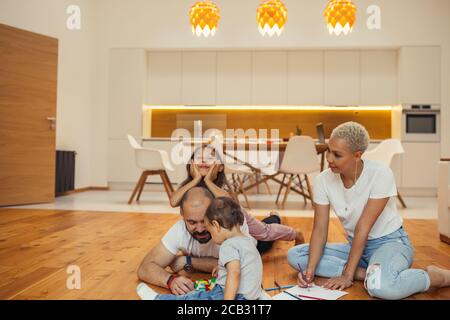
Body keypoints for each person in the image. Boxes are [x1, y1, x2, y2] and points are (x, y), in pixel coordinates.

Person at [287, 121, 450, 300]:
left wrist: (347, 276)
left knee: (382, 288)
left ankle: (435, 276)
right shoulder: (323, 180)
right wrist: (309, 271)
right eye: (328, 150)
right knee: (297, 255)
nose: (329, 159)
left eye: (337, 154)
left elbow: (362, 229)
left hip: (390, 243)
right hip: (355, 247)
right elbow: (319, 230)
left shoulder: (380, 174)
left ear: (357, 155)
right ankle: (366, 273)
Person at [170, 144, 304, 252]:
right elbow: (173, 201)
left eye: (210, 158)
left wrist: (209, 182)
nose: (204, 161)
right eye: (199, 157)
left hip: (238, 218)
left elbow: (229, 203)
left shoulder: (223, 188)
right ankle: (274, 216)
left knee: (265, 232)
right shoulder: (188, 187)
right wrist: (196, 179)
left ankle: (294, 232)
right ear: (191, 163)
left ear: (220, 167)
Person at [137, 197, 263, 300]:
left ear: (216, 225)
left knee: (194, 297)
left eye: (208, 228)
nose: (202, 229)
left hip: (233, 296)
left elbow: (234, 273)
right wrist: (221, 267)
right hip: (252, 297)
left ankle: (157, 298)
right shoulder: (247, 242)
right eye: (192, 222)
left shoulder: (227, 245)